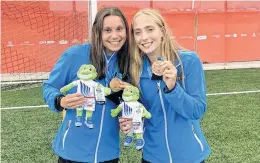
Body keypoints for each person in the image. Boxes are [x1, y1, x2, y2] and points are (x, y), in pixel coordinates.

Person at [119, 9, 211, 163]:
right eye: (138, 32)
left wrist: (173, 88)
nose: (144, 37)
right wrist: (130, 120)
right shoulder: (135, 71)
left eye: (150, 29)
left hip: (190, 156)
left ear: (162, 31)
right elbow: (141, 112)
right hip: (152, 157)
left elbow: (197, 111)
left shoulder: (188, 61)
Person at [43, 7, 129, 163]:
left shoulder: (128, 62)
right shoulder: (75, 55)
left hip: (108, 153)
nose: (114, 35)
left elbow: (129, 99)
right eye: (107, 30)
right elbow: (49, 87)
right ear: (97, 32)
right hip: (72, 153)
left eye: (119, 29)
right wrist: (60, 100)